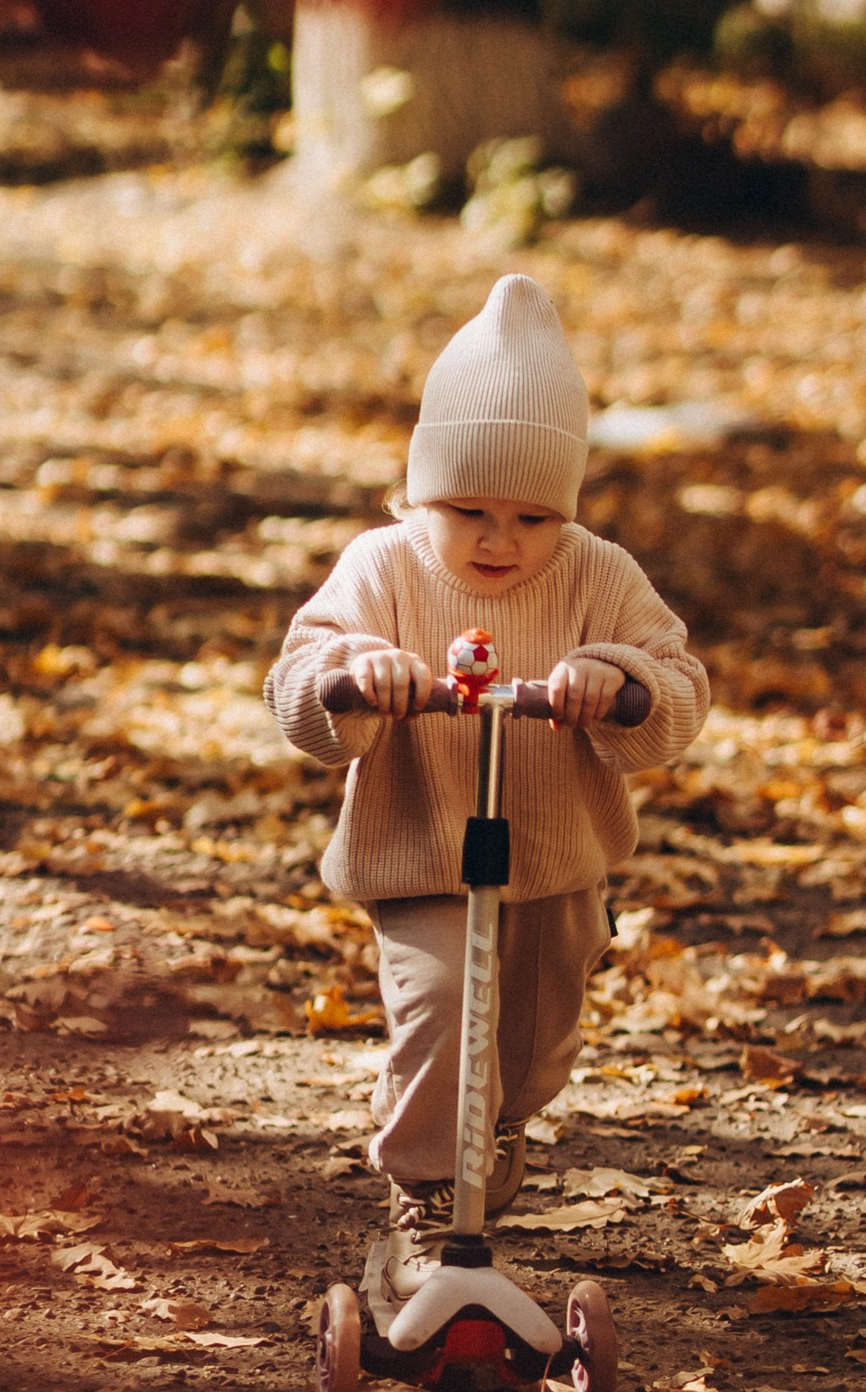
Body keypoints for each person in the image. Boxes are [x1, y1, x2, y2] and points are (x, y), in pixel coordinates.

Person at [263, 275, 708, 1296]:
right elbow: (299, 679)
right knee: (439, 1011)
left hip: (555, 860)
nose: (498, 540)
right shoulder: (380, 568)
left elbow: (679, 679)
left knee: (534, 1041)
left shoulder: (598, 572)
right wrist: (356, 676)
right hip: (421, 847)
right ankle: (424, 1199)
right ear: (420, 491)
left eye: (530, 517)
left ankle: (500, 1122)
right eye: (467, 509)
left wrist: (623, 683)